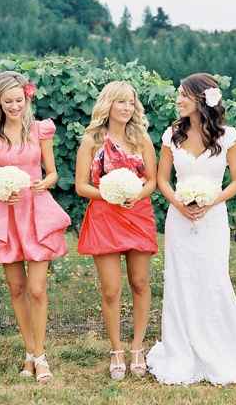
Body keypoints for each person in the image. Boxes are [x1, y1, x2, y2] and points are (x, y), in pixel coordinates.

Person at [147, 73, 236, 385]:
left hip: (213, 218)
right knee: (180, 279)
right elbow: (162, 179)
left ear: (200, 99)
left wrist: (210, 202)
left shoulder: (227, 136)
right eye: (178, 94)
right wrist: (179, 204)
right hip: (179, 218)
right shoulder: (172, 135)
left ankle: (218, 344)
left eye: (183, 94)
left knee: (212, 278)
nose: (178, 99)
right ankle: (181, 347)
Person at [0, 71, 70, 383]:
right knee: (17, 288)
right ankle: (31, 353)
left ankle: (40, 355)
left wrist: (45, 182)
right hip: (7, 213)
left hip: (36, 210)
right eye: (8, 101)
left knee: (37, 288)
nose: (14, 106)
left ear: (26, 98)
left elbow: (53, 172)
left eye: (19, 100)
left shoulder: (40, 130)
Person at [75, 81, 158, 380]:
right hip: (104, 217)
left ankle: (137, 347)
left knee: (140, 283)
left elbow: (152, 181)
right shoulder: (92, 141)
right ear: (108, 104)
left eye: (131, 102)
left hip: (137, 214)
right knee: (111, 290)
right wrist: (109, 194)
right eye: (120, 102)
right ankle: (116, 349)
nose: (126, 108)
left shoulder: (142, 140)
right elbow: (81, 186)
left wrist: (136, 194)